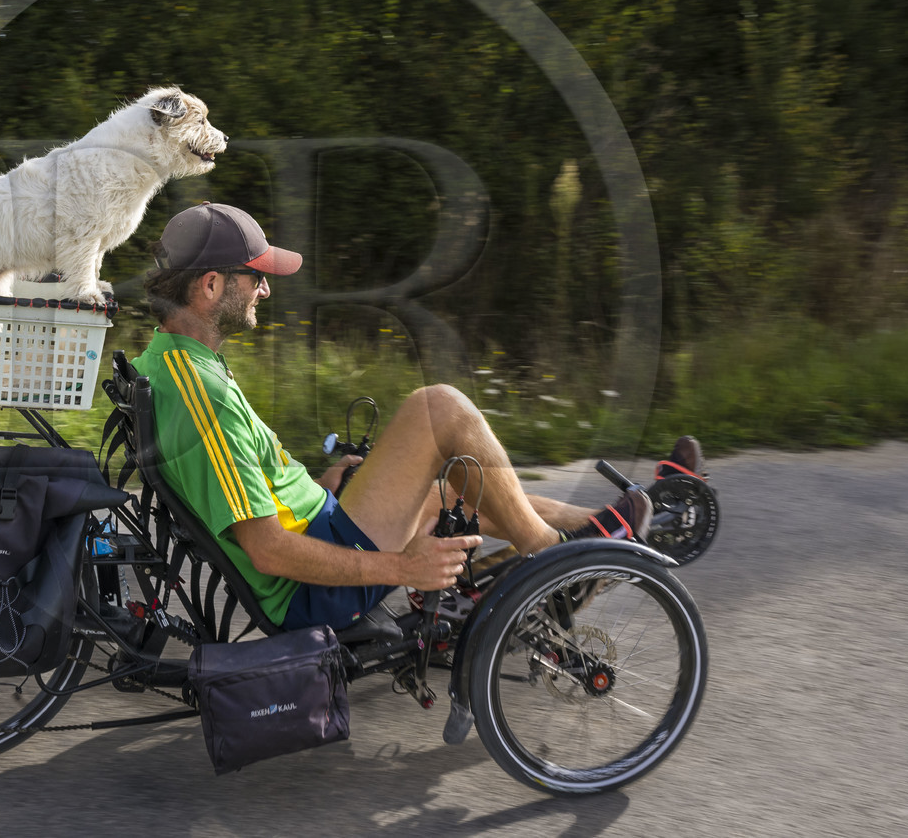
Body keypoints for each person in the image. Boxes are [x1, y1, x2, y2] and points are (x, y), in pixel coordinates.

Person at [131, 202, 687, 631]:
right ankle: (557, 567)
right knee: (438, 408)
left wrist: (319, 482)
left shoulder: (171, 361)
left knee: (457, 488)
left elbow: (245, 480)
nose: (265, 289)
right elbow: (268, 549)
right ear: (209, 286)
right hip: (311, 594)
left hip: (322, 520)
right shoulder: (199, 394)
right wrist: (405, 571)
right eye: (255, 277)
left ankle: (600, 531)